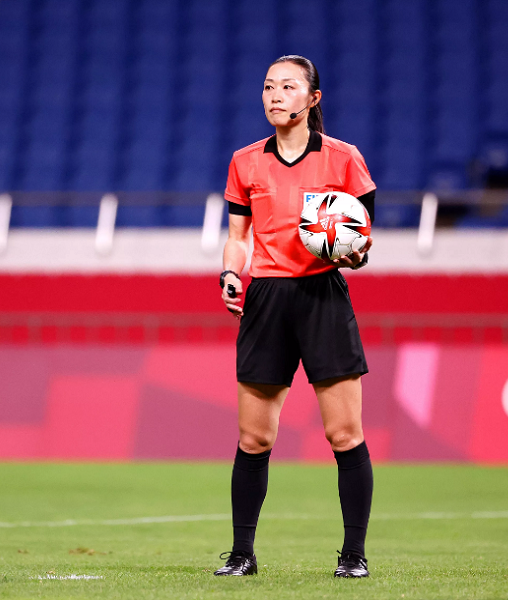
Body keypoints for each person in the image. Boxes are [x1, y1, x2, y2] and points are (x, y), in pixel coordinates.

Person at [214, 55, 376, 579]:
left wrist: (353, 253)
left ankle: (353, 557)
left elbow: (362, 237)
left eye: (288, 86)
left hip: (322, 296)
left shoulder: (343, 159)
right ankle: (242, 555)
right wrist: (231, 274)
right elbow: (238, 238)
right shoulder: (245, 162)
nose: (275, 95)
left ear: (313, 99)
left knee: (344, 434)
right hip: (268, 301)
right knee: (253, 439)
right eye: (267, 86)